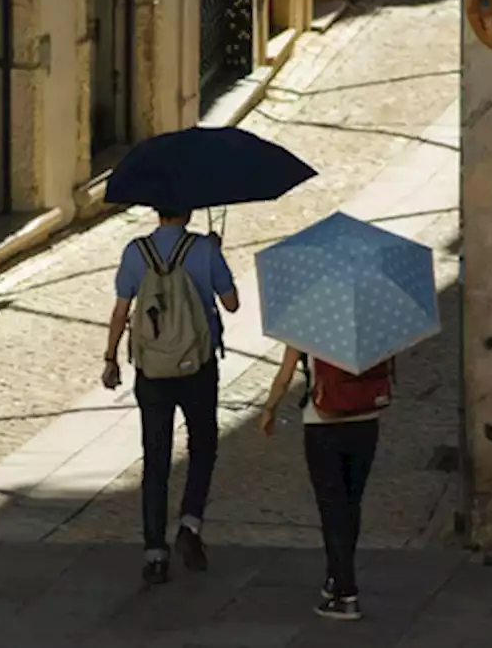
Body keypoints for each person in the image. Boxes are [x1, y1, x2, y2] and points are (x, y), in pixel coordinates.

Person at [102, 206, 239, 585]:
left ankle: (154, 551)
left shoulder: (136, 252)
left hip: (152, 370)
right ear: (190, 211)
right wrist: (215, 255)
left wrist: (111, 357)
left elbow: (120, 310)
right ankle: (190, 524)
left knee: (156, 456)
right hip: (197, 365)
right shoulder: (204, 250)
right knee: (203, 444)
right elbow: (231, 303)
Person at [258, 345, 386, 621]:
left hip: (323, 421)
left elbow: (285, 375)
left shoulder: (309, 320)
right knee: (351, 503)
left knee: (332, 507)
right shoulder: (371, 317)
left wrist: (270, 408)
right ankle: (336, 576)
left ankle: (346, 593)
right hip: (366, 419)